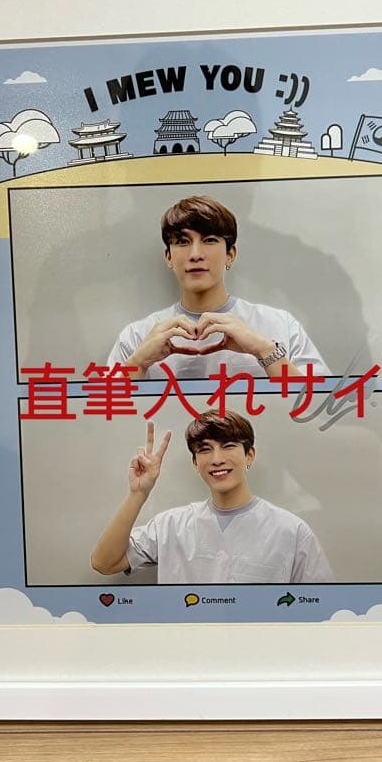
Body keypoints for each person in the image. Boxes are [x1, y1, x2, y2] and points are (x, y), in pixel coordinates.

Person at [90, 411, 333, 584]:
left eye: (228, 446)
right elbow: (104, 562)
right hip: (184, 642)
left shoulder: (291, 531)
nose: (217, 459)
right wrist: (138, 493)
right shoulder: (170, 526)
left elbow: (321, 606)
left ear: (249, 455)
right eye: (205, 449)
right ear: (195, 463)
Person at [106, 195, 329, 380]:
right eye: (182, 241)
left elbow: (321, 408)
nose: (195, 255)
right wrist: (138, 364)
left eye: (210, 240)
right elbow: (102, 415)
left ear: (230, 254)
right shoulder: (137, 336)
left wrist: (265, 351)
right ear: (169, 257)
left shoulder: (279, 325)